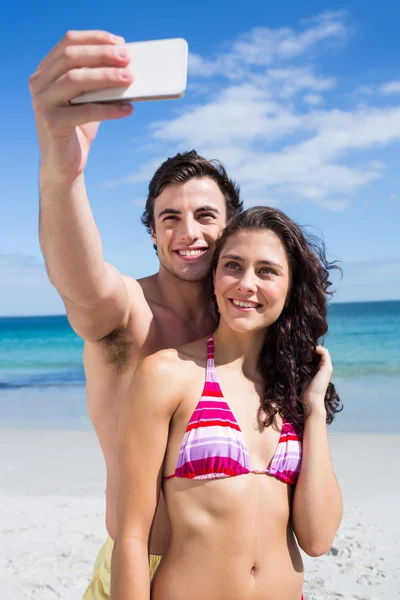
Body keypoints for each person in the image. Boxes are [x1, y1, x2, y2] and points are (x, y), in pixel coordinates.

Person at [28, 30, 243, 599]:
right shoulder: (126, 313)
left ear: (231, 225)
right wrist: (62, 168)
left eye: (204, 214)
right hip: (140, 571)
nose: (188, 231)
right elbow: (76, 278)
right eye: (169, 217)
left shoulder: (247, 328)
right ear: (151, 232)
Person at [112, 206, 343, 600]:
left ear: (290, 288)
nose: (246, 284)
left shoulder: (291, 391)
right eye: (233, 265)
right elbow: (132, 535)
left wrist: (315, 410)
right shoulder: (169, 374)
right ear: (215, 277)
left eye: (267, 271)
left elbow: (317, 538)